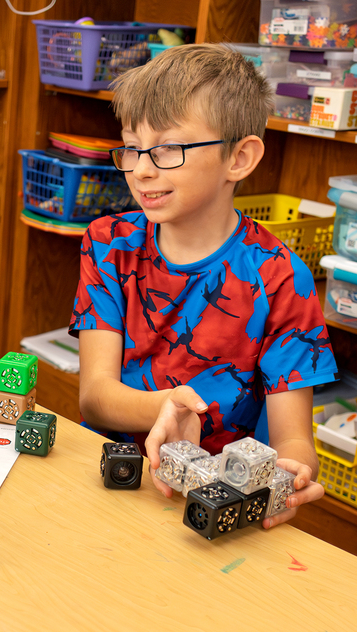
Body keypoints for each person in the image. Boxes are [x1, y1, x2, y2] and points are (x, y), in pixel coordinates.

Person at [69, 44, 336, 527]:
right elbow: (94, 395)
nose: (142, 170)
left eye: (168, 148)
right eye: (132, 147)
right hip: (111, 485)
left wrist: (296, 470)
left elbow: (293, 438)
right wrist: (163, 405)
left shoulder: (280, 276)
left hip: (212, 507)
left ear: (239, 158)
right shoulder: (108, 243)